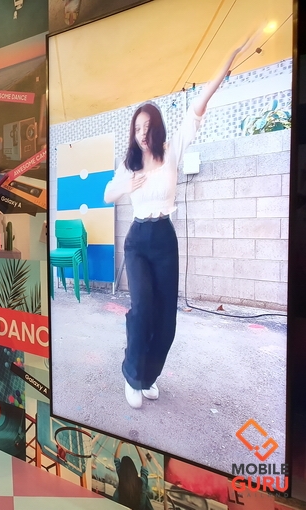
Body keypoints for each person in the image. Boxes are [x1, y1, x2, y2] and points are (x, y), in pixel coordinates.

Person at [103, 36, 257, 409]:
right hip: (138, 239)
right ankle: (132, 375)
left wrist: (230, 57)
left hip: (164, 239)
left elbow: (199, 106)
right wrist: (126, 185)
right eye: (136, 129)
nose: (141, 134)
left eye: (146, 127)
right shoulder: (129, 163)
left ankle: (148, 377)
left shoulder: (172, 152)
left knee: (165, 321)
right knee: (142, 310)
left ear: (156, 128)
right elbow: (107, 194)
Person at [113, 441, 154, 510]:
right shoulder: (142, 482)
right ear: (133, 468)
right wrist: (136, 445)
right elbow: (144, 463)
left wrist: (120, 442)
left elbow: (116, 459)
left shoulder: (122, 478)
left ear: (122, 469)